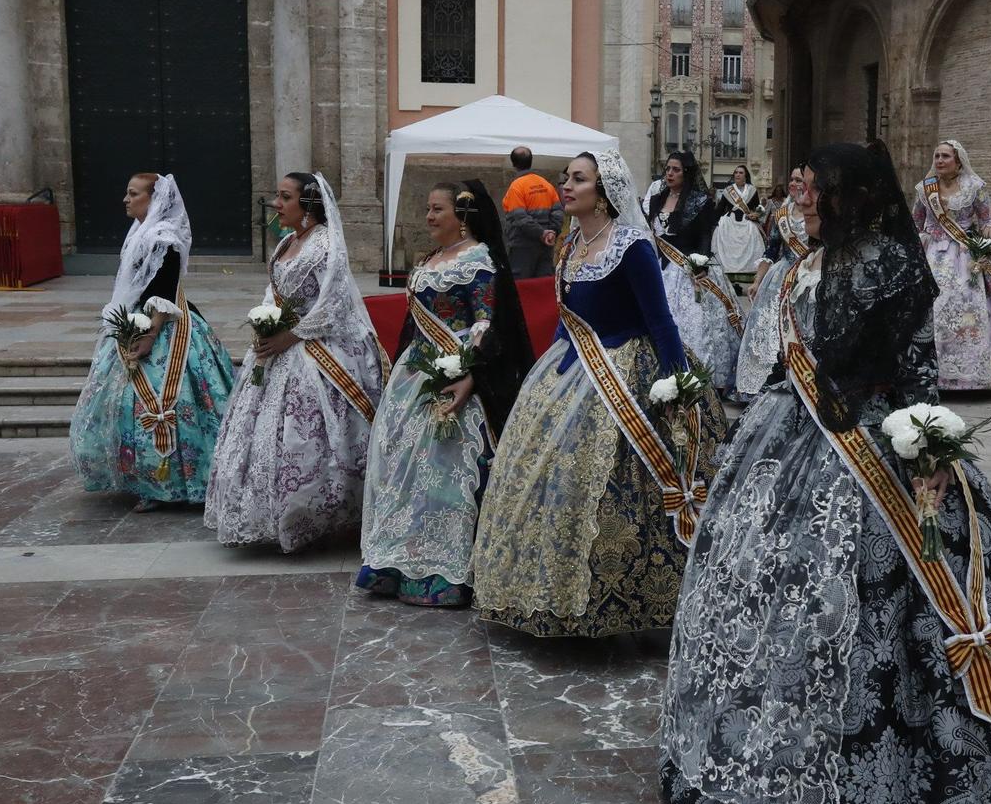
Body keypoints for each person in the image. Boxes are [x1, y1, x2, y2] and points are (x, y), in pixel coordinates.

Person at [661, 140, 991, 804]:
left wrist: (928, 452)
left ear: (852, 193)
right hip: (790, 436)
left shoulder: (889, 262)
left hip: (873, 448)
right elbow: (788, 358)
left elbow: (916, 363)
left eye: (817, 185)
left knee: (883, 611)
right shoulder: (808, 261)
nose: (802, 195)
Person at [469, 149, 727, 637]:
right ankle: (540, 594)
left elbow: (659, 320)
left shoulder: (632, 247)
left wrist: (678, 387)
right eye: (567, 178)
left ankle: (621, 599)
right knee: (545, 474)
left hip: (627, 373)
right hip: (568, 371)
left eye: (578, 180)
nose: (565, 186)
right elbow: (567, 325)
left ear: (604, 194)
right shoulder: (567, 245)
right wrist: (543, 379)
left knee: (612, 487)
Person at [356, 180, 535, 607]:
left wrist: (470, 377)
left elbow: (486, 325)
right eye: (429, 209)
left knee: (442, 474)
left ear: (463, 214)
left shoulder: (478, 260)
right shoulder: (431, 259)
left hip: (458, 379)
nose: (429, 217)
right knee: (399, 471)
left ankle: (441, 574)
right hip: (413, 378)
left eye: (437, 209)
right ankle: (394, 563)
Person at [205, 172, 385, 551]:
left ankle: (311, 516)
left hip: (315, 350)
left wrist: (291, 335)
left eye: (285, 197)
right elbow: (274, 289)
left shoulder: (325, 244)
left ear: (308, 206)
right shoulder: (288, 241)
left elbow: (334, 301)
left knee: (306, 434)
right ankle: (264, 512)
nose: (276, 203)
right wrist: (265, 321)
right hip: (277, 348)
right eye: (278, 195)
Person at [69, 173, 236, 510]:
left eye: (133, 194)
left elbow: (164, 289)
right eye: (127, 193)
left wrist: (150, 334)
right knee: (127, 403)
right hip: (135, 319)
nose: (126, 200)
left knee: (167, 401)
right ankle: (138, 475)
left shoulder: (164, 237)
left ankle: (170, 482)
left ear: (153, 198)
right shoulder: (139, 233)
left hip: (161, 327)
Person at [915, 140, 991, 390]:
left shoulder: (975, 187)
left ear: (958, 160)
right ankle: (928, 370)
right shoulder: (924, 189)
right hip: (931, 255)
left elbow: (987, 220)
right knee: (931, 309)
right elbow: (916, 222)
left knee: (966, 311)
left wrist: (985, 245)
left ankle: (968, 372)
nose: (939, 160)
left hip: (964, 256)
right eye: (937, 155)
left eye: (945, 156)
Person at [643, 150, 740, 388]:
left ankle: (694, 374)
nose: (670, 173)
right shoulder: (656, 199)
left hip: (688, 270)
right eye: (667, 169)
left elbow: (705, 235)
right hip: (661, 268)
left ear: (686, 172)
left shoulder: (700, 201)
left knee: (694, 323)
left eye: (675, 169)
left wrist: (701, 263)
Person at [733, 165, 813, 402]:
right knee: (766, 329)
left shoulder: (817, 213)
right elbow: (771, 250)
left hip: (806, 278)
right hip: (779, 278)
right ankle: (757, 386)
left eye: (799, 180)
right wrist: (757, 280)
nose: (793, 184)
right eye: (791, 179)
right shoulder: (781, 213)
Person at [501, 147, 563, 279]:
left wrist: (541, 233)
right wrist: (551, 232)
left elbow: (520, 218)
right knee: (543, 283)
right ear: (531, 161)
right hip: (546, 244)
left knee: (521, 286)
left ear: (514, 164)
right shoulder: (546, 184)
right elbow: (558, 212)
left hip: (522, 246)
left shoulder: (516, 187)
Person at [711, 163, 767, 285]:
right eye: (736, 172)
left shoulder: (752, 190)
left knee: (752, 240)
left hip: (747, 224)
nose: (737, 174)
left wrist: (756, 214)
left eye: (740, 172)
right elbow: (720, 209)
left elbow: (758, 208)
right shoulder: (728, 191)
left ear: (745, 175)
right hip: (729, 224)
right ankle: (730, 281)